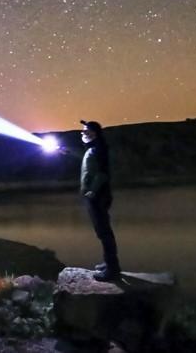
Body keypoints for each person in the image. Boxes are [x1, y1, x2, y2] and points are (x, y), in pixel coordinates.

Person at [80, 119, 122, 281]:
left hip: (98, 196)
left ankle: (112, 269)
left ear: (94, 133)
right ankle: (108, 262)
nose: (82, 133)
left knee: (104, 232)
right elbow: (90, 168)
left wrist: (92, 191)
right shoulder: (94, 149)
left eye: (85, 131)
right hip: (97, 196)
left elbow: (102, 173)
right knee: (102, 231)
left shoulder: (99, 150)